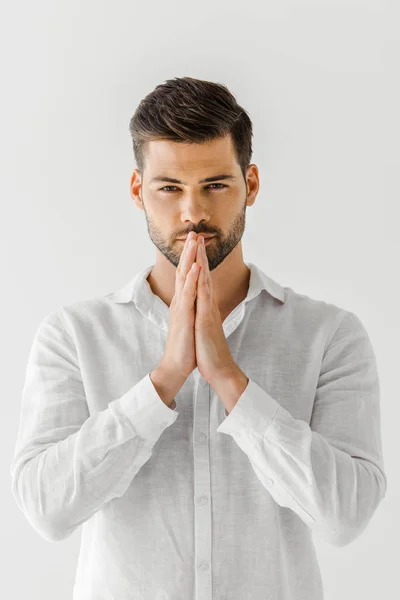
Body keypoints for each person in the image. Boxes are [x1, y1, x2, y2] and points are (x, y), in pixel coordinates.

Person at [10, 76, 387, 600]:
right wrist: (163, 380)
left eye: (215, 185)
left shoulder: (329, 335)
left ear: (250, 185)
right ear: (139, 190)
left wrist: (230, 381)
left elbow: (346, 519)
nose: (192, 213)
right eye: (169, 188)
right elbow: (47, 512)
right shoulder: (73, 335)